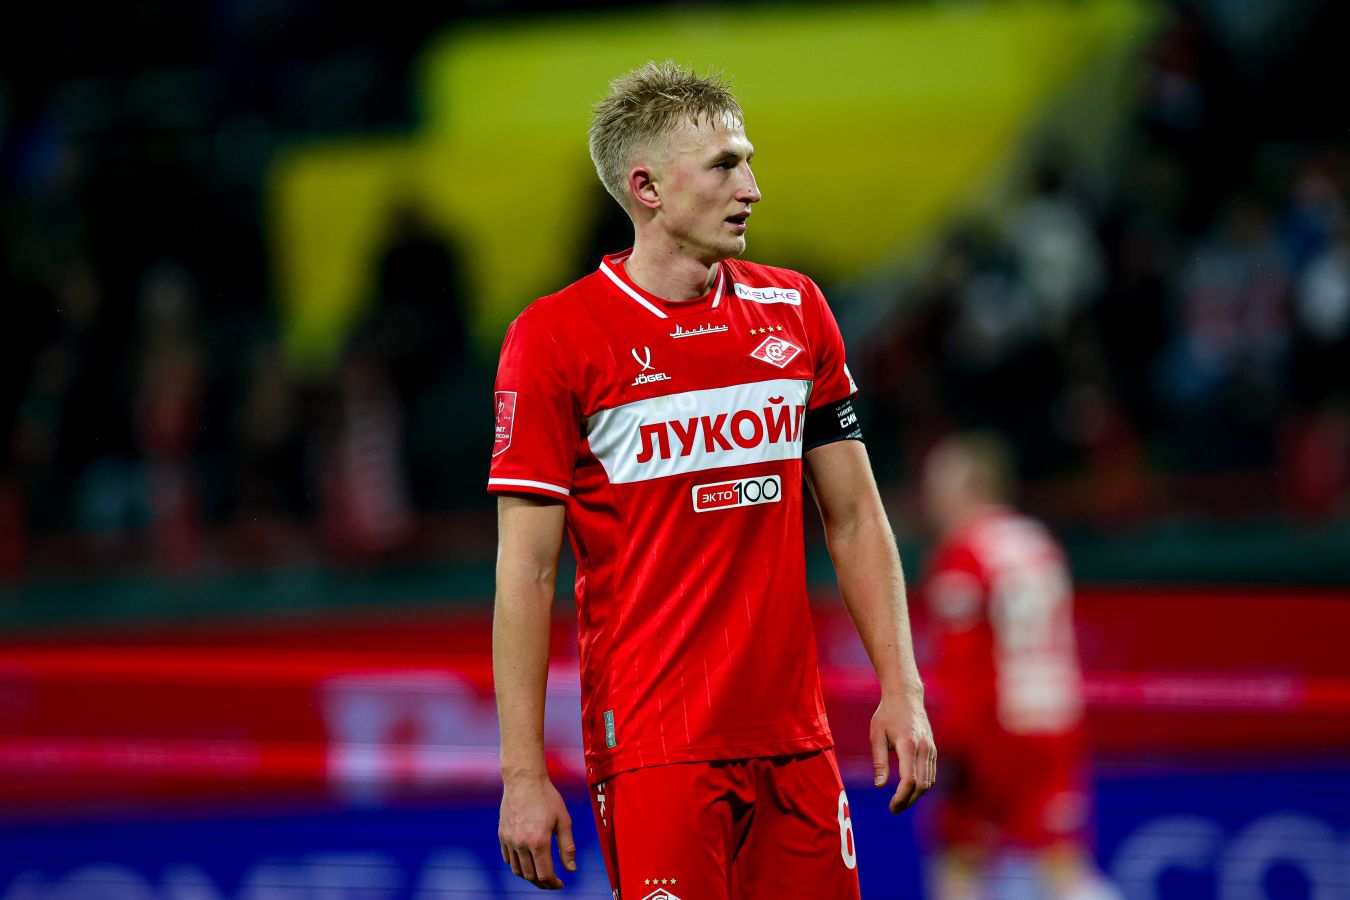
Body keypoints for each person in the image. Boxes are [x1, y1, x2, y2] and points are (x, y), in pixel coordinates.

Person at [489, 61, 935, 898]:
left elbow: (854, 519)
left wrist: (902, 689)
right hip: (655, 746)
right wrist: (522, 772)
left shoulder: (796, 310)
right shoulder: (555, 340)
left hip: (796, 742)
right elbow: (528, 571)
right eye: (725, 165)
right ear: (647, 187)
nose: (752, 189)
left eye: (748, 161)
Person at [917, 432, 1119, 900]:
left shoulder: (963, 551)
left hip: (993, 727)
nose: (929, 496)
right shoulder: (1038, 541)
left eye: (938, 483)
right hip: (1054, 722)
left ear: (970, 486)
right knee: (1062, 865)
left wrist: (949, 741)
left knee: (958, 863)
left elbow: (962, 662)